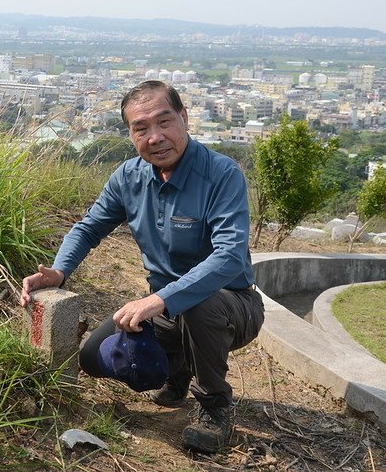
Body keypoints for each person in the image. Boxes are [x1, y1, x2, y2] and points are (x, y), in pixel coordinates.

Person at [20, 80, 264, 453]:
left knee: (198, 303)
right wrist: (58, 271)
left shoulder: (221, 174)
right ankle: (180, 369)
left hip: (231, 304)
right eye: (141, 128)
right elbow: (88, 228)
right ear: (130, 134)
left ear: (184, 117)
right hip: (167, 307)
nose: (155, 137)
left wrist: (159, 299)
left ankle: (214, 407)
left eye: (164, 122)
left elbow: (229, 256)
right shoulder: (129, 178)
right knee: (94, 358)